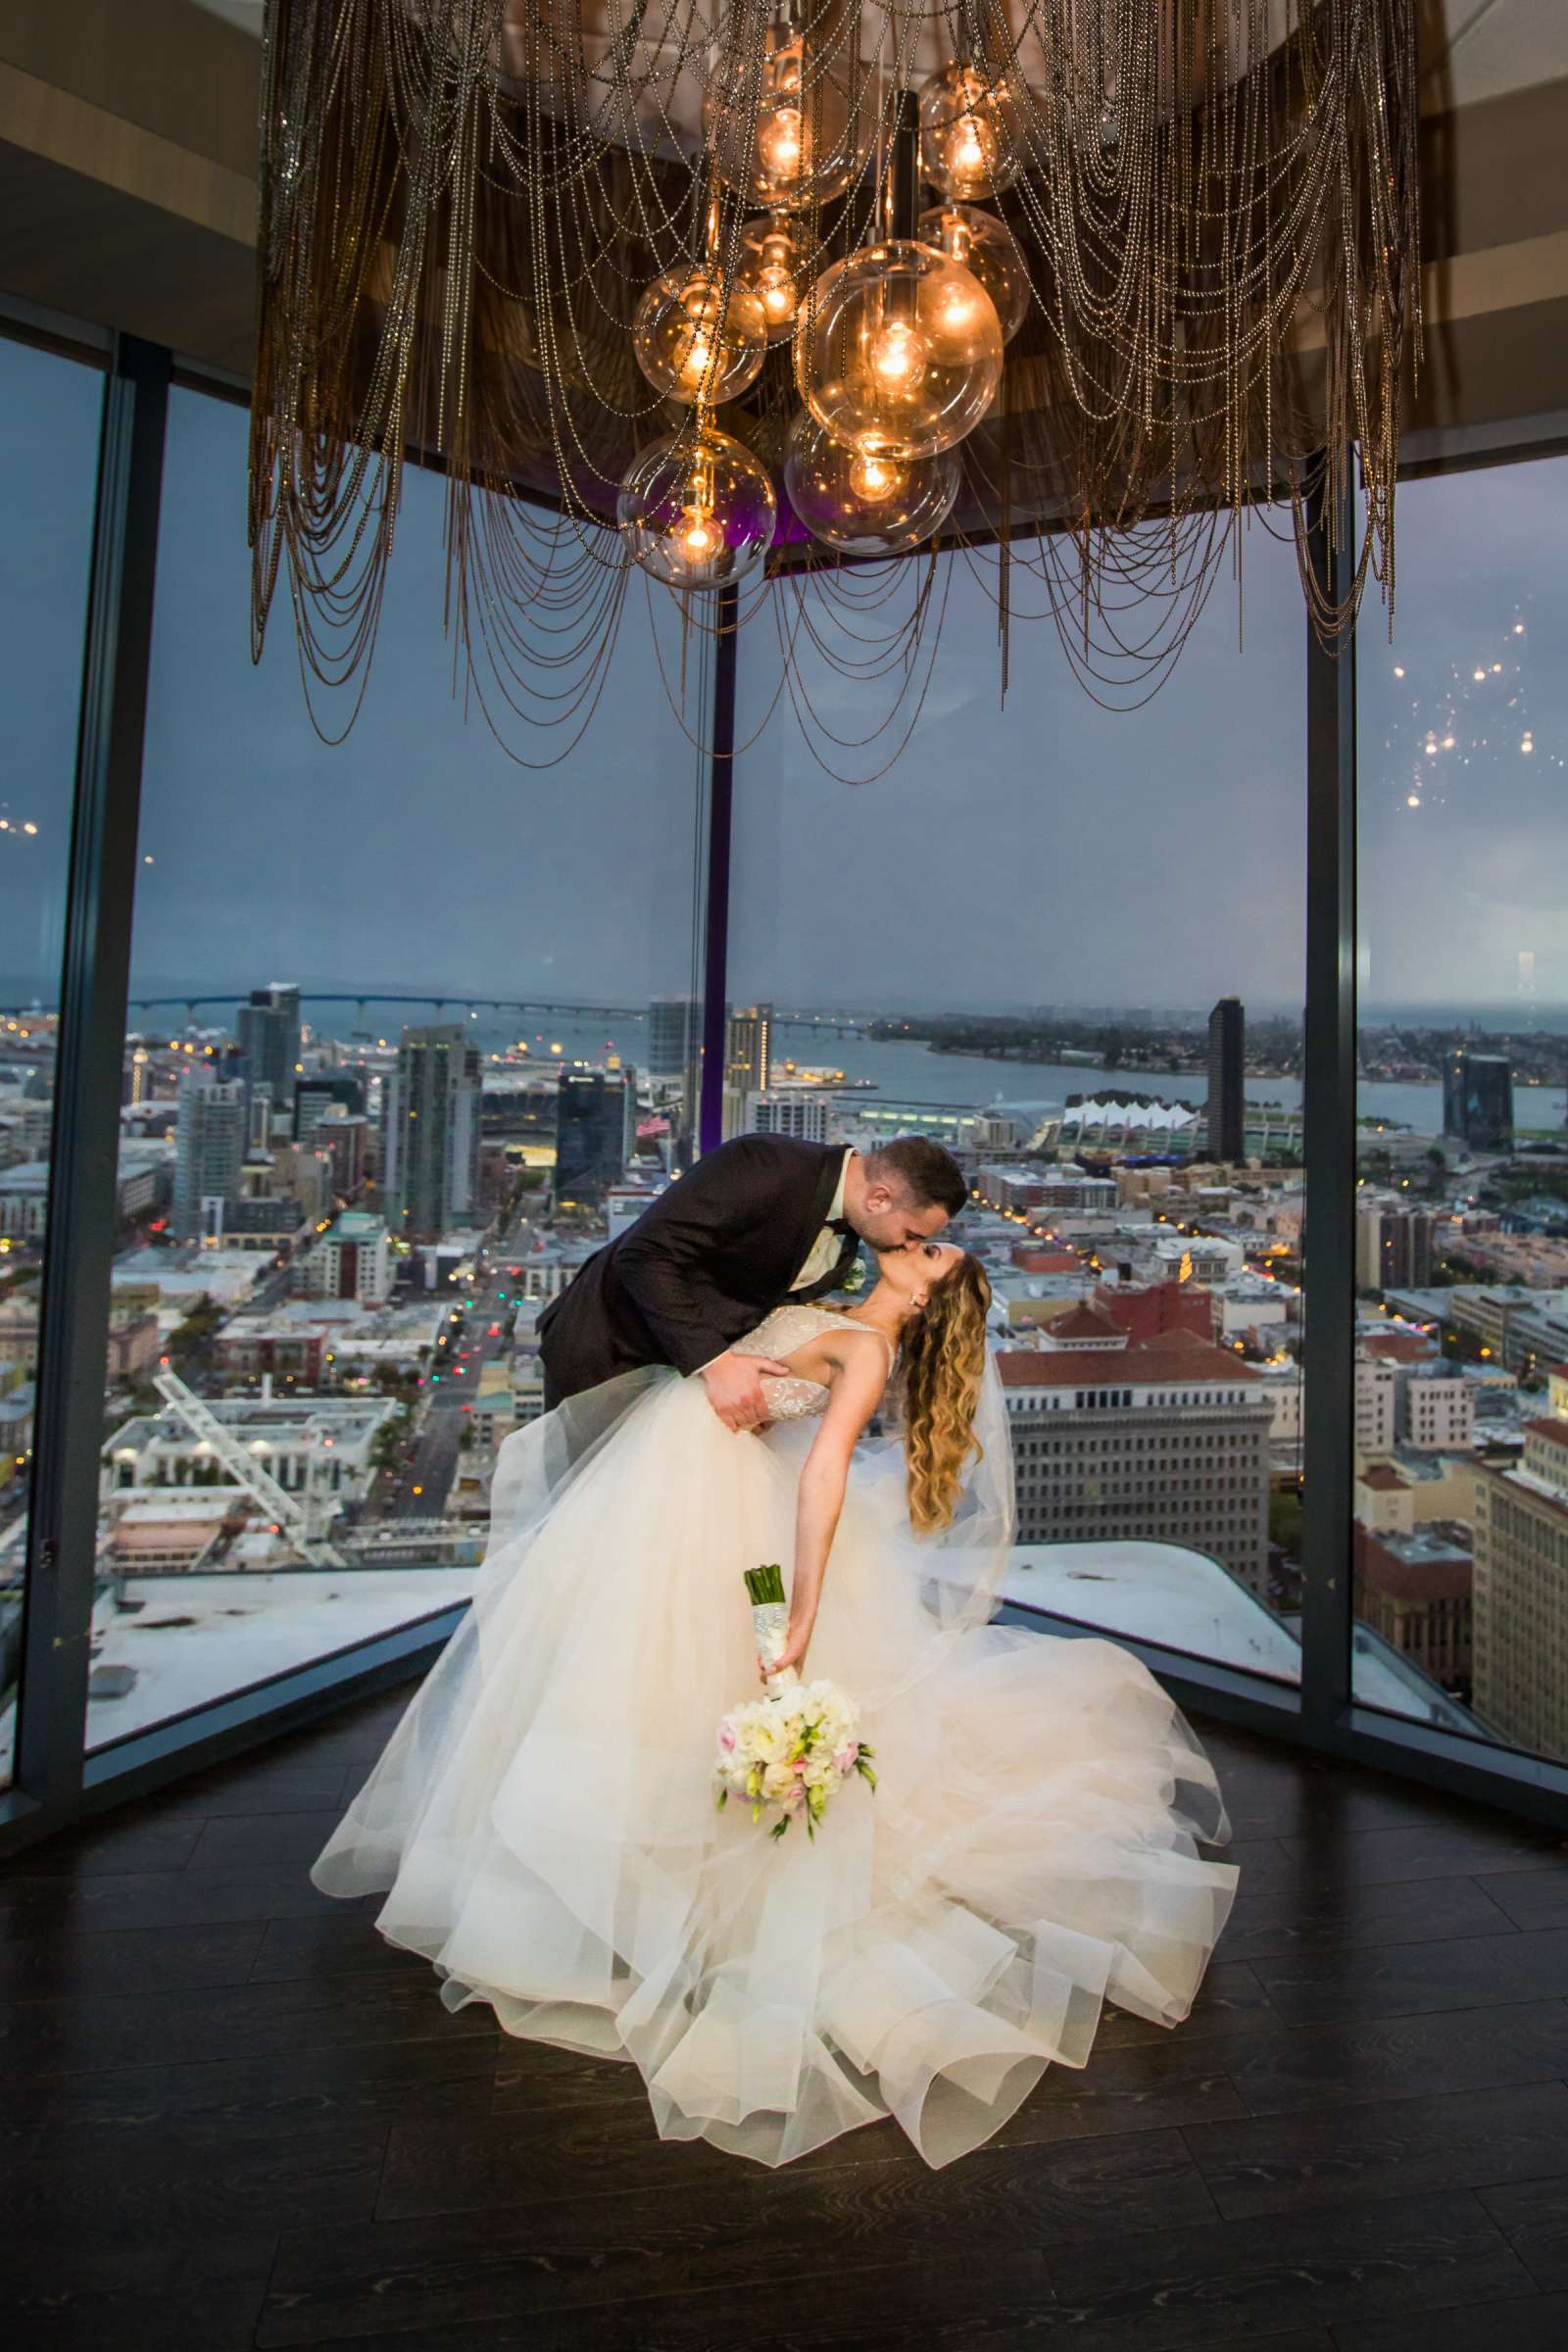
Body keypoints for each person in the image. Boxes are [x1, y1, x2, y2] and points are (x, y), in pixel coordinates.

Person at [310, 1225, 1239, 2172]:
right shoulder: (833, 1293)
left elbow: (826, 1472)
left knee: (675, 1682)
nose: (924, 1244)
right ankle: (624, 1872)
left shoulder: (867, 1346)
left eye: (935, 1258)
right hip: (680, 1492)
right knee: (619, 1679)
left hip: (722, 1511)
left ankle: (674, 1892)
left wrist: (798, 1606)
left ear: (924, 1298)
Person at [536, 1132, 967, 1422]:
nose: (907, 1247)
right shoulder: (764, 1163)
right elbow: (645, 1254)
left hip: (677, 1391)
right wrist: (717, 1363)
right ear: (878, 1198)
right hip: (608, 1355)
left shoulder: (852, 1225)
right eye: (912, 1235)